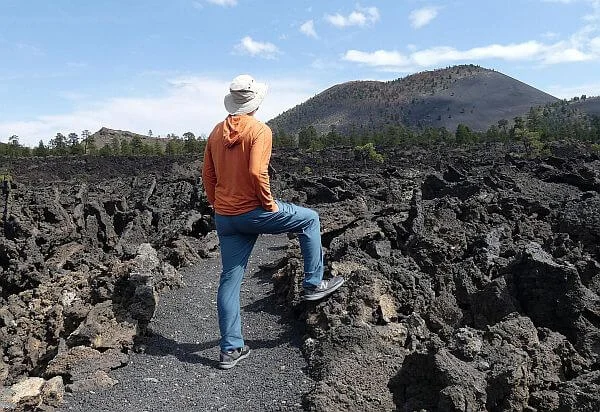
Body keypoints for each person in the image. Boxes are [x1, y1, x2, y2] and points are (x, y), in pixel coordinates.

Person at [202, 74, 344, 370]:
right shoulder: (260, 130)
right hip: (254, 211)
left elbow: (208, 177)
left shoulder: (216, 132)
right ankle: (313, 283)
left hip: (226, 218)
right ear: (255, 103)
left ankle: (230, 349)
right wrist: (268, 203)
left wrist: (218, 206)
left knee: (230, 280)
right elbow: (256, 171)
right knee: (310, 220)